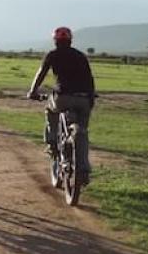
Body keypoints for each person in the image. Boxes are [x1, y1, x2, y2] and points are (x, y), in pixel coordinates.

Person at [26, 26, 96, 184]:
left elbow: (41, 73)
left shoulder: (52, 55)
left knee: (50, 110)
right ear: (70, 41)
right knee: (82, 131)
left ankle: (52, 144)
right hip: (84, 99)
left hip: (62, 97)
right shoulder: (81, 56)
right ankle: (83, 169)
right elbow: (90, 79)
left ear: (55, 41)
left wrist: (33, 92)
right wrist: (90, 98)